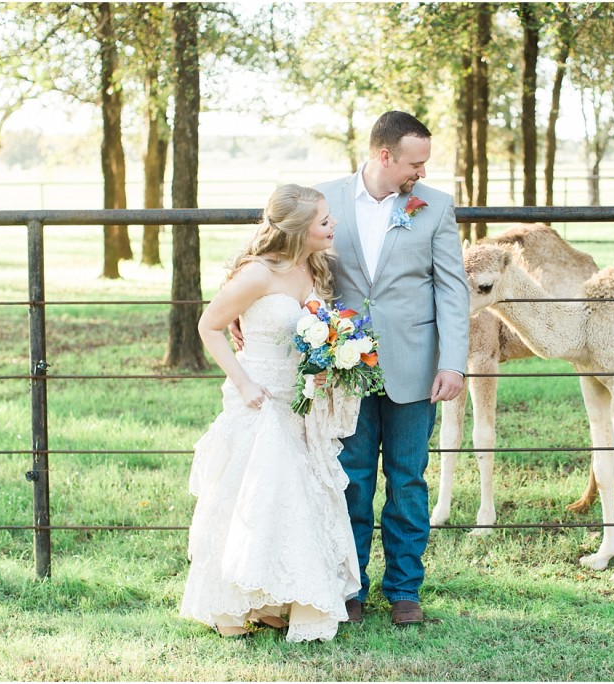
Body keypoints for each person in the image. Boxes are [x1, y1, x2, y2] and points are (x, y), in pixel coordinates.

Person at [180, 184, 361, 642]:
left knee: (295, 498)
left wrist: (322, 368)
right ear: (300, 229)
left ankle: (272, 599)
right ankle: (231, 605)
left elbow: (312, 334)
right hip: (259, 398)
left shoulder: (315, 269)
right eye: (323, 220)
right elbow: (209, 326)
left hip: (299, 400)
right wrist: (242, 382)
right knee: (251, 498)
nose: (332, 224)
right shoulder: (259, 274)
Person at [318, 110, 469, 626]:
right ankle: (350, 588)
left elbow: (452, 288)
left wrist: (453, 362)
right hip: (346, 368)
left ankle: (405, 590)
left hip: (416, 368)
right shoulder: (325, 201)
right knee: (352, 481)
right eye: (415, 162)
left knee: (408, 481)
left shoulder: (436, 208)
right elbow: (283, 260)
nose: (421, 172)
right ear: (384, 156)